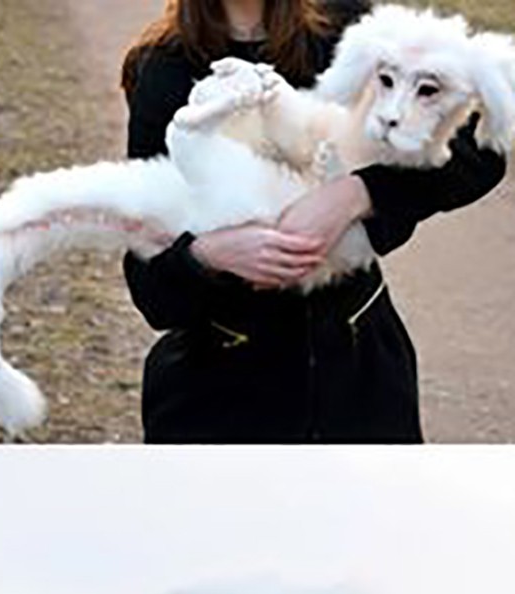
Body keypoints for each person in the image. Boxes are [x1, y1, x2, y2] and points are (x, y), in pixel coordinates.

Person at [121, 0, 508, 442]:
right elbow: (150, 286)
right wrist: (209, 256)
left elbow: (482, 150)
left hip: (361, 381)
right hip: (217, 398)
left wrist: (360, 193)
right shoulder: (162, 70)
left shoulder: (351, 31)